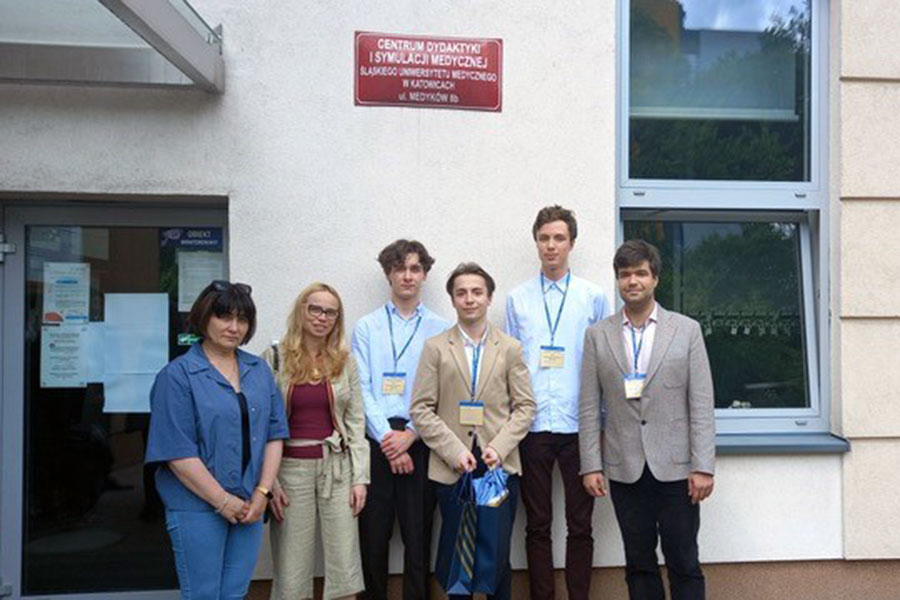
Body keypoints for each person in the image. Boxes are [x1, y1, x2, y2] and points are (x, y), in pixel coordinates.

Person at [579, 240, 715, 600]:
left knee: (684, 562)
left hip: (677, 470)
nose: (632, 281)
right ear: (618, 281)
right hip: (625, 470)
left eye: (640, 273)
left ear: (655, 278)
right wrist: (590, 465)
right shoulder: (597, 336)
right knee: (638, 565)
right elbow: (590, 406)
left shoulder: (686, 331)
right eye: (625, 275)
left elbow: (701, 403)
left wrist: (704, 466)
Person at [146, 280, 288, 600]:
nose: (234, 327)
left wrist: (263, 492)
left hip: (250, 505)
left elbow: (274, 434)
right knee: (204, 595)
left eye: (242, 319)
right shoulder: (177, 375)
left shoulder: (259, 370)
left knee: (235, 593)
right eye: (225, 317)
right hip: (197, 507)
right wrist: (223, 501)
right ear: (205, 317)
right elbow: (177, 452)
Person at [410, 262, 536, 600]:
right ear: (452, 299)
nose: (469, 299)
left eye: (477, 292)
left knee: (495, 557)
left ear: (489, 298)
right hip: (454, 468)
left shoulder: (510, 348)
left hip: (498, 467)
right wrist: (454, 451)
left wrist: (499, 446)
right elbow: (421, 409)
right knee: (458, 558)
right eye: (461, 293)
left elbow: (525, 407)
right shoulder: (436, 348)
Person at [505, 204, 611, 600]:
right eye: (544, 238)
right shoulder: (517, 299)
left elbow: (603, 363)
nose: (551, 246)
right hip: (532, 427)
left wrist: (600, 426)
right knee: (537, 524)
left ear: (572, 243)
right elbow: (512, 365)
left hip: (579, 426)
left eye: (559, 238)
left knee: (581, 524)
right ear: (536, 242)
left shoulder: (593, 297)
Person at [352, 240, 451, 600]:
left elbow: (442, 390)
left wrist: (410, 435)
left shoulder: (441, 328)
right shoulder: (366, 327)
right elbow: (360, 388)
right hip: (377, 442)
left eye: (414, 268)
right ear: (388, 273)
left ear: (424, 274)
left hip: (420, 441)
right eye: (400, 268)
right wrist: (389, 442)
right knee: (373, 538)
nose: (407, 276)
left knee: (418, 537)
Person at [267, 283, 369, 600]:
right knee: (292, 568)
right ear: (302, 310)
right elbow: (262, 425)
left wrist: (360, 479)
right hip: (289, 470)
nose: (322, 317)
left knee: (344, 565)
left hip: (337, 470)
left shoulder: (344, 362)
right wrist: (268, 482)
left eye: (330, 312)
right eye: (315, 308)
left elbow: (355, 423)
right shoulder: (274, 359)